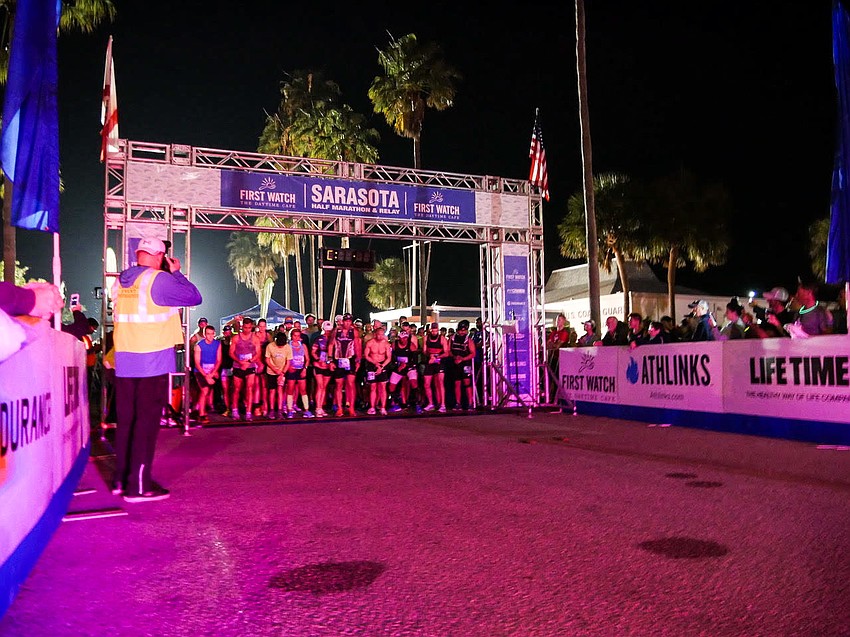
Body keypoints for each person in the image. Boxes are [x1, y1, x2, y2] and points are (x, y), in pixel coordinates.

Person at [111, 238, 202, 503]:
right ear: (159, 255)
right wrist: (176, 272)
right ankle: (138, 485)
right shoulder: (158, 280)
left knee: (126, 421)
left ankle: (121, 478)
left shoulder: (121, 281)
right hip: (151, 359)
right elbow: (194, 297)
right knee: (147, 423)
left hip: (125, 359)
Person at [230, 316, 261, 420]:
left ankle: (248, 412)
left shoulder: (255, 338)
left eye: (249, 328)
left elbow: (258, 353)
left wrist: (249, 362)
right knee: (236, 389)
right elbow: (231, 352)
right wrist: (240, 362)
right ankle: (234, 410)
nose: (247, 330)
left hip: (250, 365)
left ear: (251, 327)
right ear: (242, 326)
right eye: (245, 328)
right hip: (238, 365)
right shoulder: (236, 338)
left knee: (249, 388)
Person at [331, 312, 361, 417]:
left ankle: (351, 408)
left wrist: (358, 360)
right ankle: (339, 408)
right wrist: (330, 360)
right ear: (343, 321)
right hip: (339, 359)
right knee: (339, 384)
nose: (348, 323)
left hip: (350, 359)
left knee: (351, 384)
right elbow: (331, 345)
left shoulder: (354, 331)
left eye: (349, 321)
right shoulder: (337, 331)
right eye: (346, 321)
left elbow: (357, 346)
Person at [387, 321, 421, 413]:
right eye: (403, 338)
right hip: (399, 366)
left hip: (409, 366)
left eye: (406, 338)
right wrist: (397, 365)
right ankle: (396, 403)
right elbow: (391, 357)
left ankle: (416, 404)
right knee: (391, 385)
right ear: (399, 338)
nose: (404, 340)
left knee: (413, 382)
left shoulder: (411, 345)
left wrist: (407, 365)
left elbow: (415, 358)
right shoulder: (395, 345)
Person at [192, 324, 221, 424]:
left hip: (212, 371)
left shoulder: (218, 344)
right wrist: (206, 375)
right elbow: (197, 363)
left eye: (212, 334)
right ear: (204, 335)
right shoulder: (199, 346)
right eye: (208, 334)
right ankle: (201, 414)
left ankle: (199, 409)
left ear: (214, 334)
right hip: (200, 371)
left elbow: (219, 360)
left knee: (207, 392)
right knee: (205, 390)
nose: (210, 336)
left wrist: (212, 373)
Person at [282, 326, 313, 418]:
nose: (296, 337)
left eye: (298, 335)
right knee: (290, 390)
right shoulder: (288, 346)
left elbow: (307, 359)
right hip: (291, 370)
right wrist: (288, 367)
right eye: (294, 335)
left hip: (301, 370)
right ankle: (289, 410)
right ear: (291, 336)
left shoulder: (303, 346)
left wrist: (305, 368)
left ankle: (306, 410)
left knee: (303, 390)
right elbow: (285, 359)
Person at [363, 322, 392, 415]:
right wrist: (375, 364)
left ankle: (383, 407)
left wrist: (382, 366)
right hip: (372, 365)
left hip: (382, 364)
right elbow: (366, 356)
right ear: (375, 334)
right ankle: (372, 407)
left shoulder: (386, 344)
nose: (380, 336)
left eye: (382, 334)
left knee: (383, 387)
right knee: (372, 387)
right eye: (378, 334)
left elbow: (389, 357)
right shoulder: (370, 343)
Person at [422, 321, 450, 412]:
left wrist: (437, 357)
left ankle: (442, 404)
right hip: (430, 361)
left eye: (436, 331)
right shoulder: (426, 338)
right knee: (426, 384)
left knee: (440, 382)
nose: (434, 333)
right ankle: (431, 403)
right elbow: (424, 351)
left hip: (439, 362)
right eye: (433, 331)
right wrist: (430, 355)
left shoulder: (442, 339)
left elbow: (446, 353)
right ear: (430, 330)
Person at [448, 319, 476, 410]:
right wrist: (454, 357)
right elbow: (448, 351)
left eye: (464, 330)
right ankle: (458, 403)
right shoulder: (452, 338)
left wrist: (462, 359)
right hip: (455, 363)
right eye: (460, 330)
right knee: (457, 383)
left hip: (466, 363)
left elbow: (473, 353)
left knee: (467, 383)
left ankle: (470, 403)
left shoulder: (469, 340)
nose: (462, 332)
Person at [310, 320, 334, 417]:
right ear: (323, 329)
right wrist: (318, 359)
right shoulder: (318, 339)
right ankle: (318, 407)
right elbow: (313, 352)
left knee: (324, 387)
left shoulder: (333, 340)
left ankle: (321, 407)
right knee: (320, 386)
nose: (328, 332)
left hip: (328, 366)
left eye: (330, 330)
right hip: (318, 365)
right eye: (326, 330)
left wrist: (330, 362)